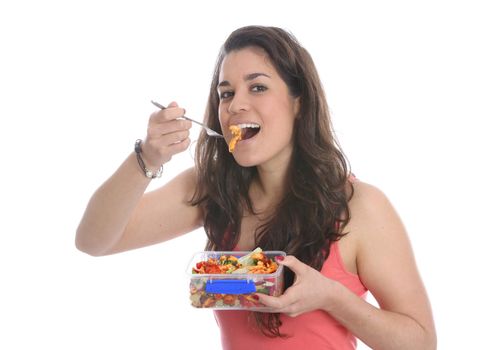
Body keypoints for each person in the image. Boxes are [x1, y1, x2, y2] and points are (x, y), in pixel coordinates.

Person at [76, 25, 436, 349]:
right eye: (226, 93)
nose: (236, 105)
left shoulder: (359, 206)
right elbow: (93, 241)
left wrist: (332, 298)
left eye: (258, 87)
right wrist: (148, 157)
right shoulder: (212, 189)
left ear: (299, 102)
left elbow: (421, 343)